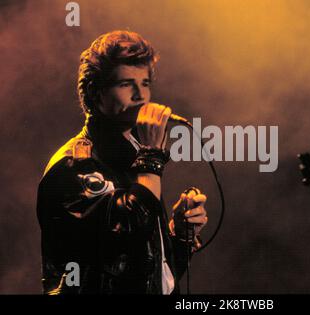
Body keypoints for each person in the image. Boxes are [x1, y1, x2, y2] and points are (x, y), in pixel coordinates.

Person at [36, 30, 208, 294]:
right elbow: (124, 235)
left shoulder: (133, 157)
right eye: (126, 84)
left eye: (145, 83)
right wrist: (151, 155)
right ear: (96, 93)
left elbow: (148, 272)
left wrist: (179, 235)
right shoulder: (73, 167)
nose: (141, 95)